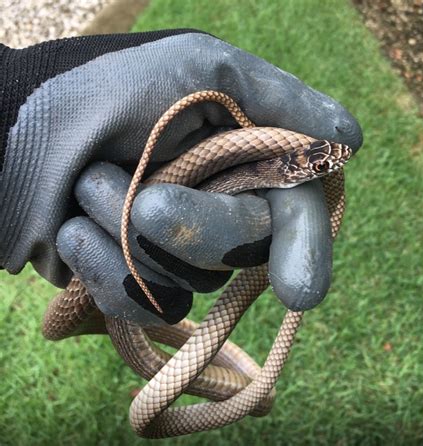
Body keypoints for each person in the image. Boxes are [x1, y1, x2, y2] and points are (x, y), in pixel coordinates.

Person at [0, 30, 363, 325]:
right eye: (319, 165)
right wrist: (16, 120)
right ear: (292, 170)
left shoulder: (285, 162)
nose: (336, 161)